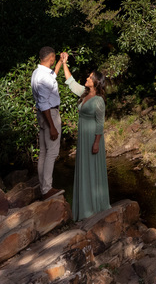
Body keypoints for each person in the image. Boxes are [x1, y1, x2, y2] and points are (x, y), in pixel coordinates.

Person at [61, 53, 110, 220]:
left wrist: (96, 143)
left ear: (96, 82)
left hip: (92, 139)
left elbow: (100, 123)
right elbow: (71, 83)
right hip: (83, 138)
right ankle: (84, 209)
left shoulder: (98, 100)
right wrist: (64, 63)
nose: (87, 78)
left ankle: (95, 208)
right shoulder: (84, 93)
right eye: (88, 76)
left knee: (92, 170)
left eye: (90, 77)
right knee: (84, 169)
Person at [30, 46, 63, 199]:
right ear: (51, 57)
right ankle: (47, 189)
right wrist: (52, 127)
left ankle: (44, 187)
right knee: (52, 153)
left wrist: (61, 63)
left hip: (42, 115)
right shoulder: (43, 77)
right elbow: (44, 104)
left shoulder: (38, 73)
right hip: (50, 114)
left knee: (43, 152)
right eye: (55, 58)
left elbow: (52, 78)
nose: (54, 60)